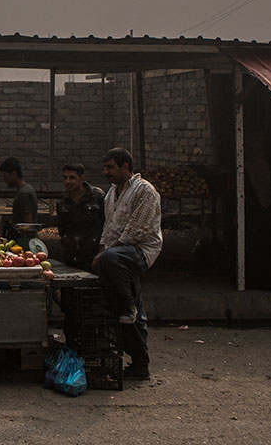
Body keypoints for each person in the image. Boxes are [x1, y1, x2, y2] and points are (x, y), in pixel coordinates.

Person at [92, 147, 162, 381]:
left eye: (110, 167)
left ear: (125, 167)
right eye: (105, 167)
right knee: (118, 305)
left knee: (112, 261)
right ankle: (138, 364)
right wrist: (101, 250)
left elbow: (136, 230)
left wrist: (107, 253)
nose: (106, 172)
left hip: (139, 251)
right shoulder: (111, 194)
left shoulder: (145, 191)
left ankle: (128, 305)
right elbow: (109, 227)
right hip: (117, 256)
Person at [56, 162, 105, 268]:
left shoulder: (97, 197)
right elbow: (62, 229)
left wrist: (102, 250)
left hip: (93, 255)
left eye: (72, 177)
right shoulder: (62, 202)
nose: (68, 181)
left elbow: (106, 224)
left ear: (82, 178)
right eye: (65, 178)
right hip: (71, 255)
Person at [0, 157, 38, 224]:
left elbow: (28, 223)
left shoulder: (24, 193)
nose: (4, 178)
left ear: (13, 173)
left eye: (5, 175)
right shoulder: (25, 189)